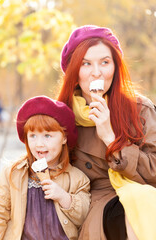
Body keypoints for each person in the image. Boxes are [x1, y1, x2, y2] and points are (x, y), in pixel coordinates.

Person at [57, 25, 156, 240]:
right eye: (86, 64)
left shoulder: (140, 109)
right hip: (93, 205)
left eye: (105, 62)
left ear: (115, 67)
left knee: (143, 202)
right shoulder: (60, 118)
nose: (97, 72)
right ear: (74, 71)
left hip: (142, 191)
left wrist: (110, 137)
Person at [0, 95, 91, 240]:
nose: (39, 144)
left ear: (64, 138)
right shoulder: (12, 173)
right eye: (33, 135)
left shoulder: (77, 178)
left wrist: (63, 197)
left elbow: (83, 216)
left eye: (47, 136)